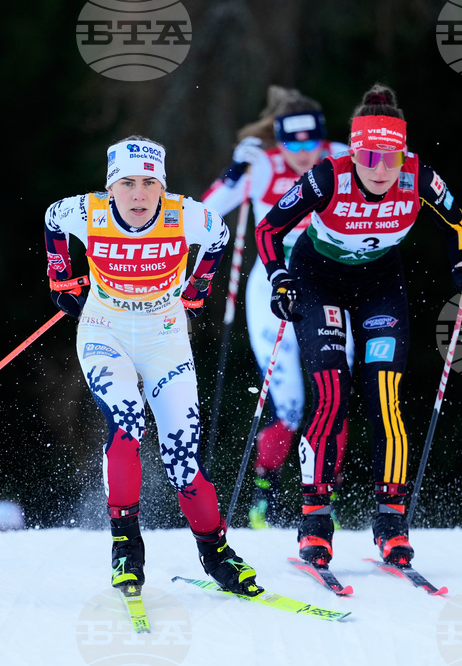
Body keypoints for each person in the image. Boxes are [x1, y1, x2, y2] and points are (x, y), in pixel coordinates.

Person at [255, 84, 462, 567]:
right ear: (355, 153)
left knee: (385, 398)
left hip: (380, 284)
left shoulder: (417, 175)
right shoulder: (327, 177)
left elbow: (458, 223)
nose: (382, 169)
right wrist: (278, 280)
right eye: (372, 156)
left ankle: (391, 521)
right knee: (332, 394)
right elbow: (269, 228)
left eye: (392, 157)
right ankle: (316, 519)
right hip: (318, 280)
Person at [43, 135, 262, 596]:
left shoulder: (188, 216)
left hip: (165, 338)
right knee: (127, 429)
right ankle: (126, 547)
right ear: (111, 187)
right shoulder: (88, 212)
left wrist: (199, 285)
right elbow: (52, 219)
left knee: (183, 460)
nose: (139, 194)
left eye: (149, 183)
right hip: (105, 331)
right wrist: (61, 276)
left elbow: (219, 236)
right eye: (127, 183)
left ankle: (217, 552)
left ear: (162, 186)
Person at [202, 85, 354, 529]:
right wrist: (234, 172)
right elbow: (206, 213)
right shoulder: (262, 164)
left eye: (312, 144)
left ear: (323, 139)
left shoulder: (344, 158)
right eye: (292, 143)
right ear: (279, 139)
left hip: (332, 285)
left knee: (335, 396)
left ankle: (326, 501)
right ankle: (261, 504)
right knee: (287, 405)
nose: (303, 155)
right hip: (274, 287)